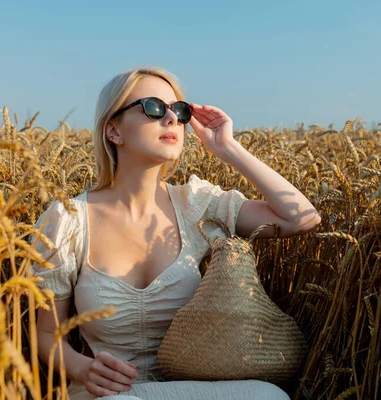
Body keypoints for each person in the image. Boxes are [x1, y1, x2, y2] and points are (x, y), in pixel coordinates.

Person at [31, 66, 321, 399]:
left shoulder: (195, 204)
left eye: (180, 112)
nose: (171, 119)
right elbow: (47, 334)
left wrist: (227, 148)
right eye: (154, 107)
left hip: (185, 389)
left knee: (268, 396)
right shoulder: (68, 220)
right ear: (113, 130)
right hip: (109, 394)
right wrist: (83, 370)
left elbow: (301, 218)